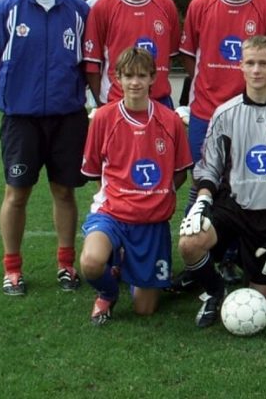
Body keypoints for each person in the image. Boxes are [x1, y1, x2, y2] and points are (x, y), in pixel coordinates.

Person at [0, 0, 90, 296]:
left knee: (64, 191)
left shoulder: (78, 11)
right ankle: (12, 268)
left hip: (67, 118)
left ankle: (66, 264)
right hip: (21, 120)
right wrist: (4, 98)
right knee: (17, 193)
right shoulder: (5, 10)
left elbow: (89, 63)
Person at [177, 36, 266, 327]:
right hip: (231, 206)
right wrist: (202, 201)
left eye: (263, 63)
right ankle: (214, 291)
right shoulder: (225, 113)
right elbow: (209, 166)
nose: (257, 70)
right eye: (250, 63)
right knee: (189, 243)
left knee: (263, 299)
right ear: (241, 66)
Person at [79, 48, 192, 325]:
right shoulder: (104, 119)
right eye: (128, 75)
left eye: (142, 75)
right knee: (91, 262)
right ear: (117, 78)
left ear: (153, 78)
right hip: (112, 215)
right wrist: (122, 196)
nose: (135, 82)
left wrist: (155, 198)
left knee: (145, 309)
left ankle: (127, 267)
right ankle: (107, 293)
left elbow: (180, 174)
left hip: (152, 223)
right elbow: (96, 171)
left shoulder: (170, 121)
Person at [179, 0, 266, 194]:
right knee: (202, 179)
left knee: (246, 180)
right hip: (206, 111)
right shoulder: (201, 4)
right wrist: (207, 81)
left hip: (251, 112)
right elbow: (189, 55)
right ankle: (199, 225)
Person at [84, 0, 180, 108]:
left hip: (160, 102)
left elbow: (168, 58)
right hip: (116, 102)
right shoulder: (102, 8)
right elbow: (92, 65)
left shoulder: (166, 6)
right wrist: (102, 104)